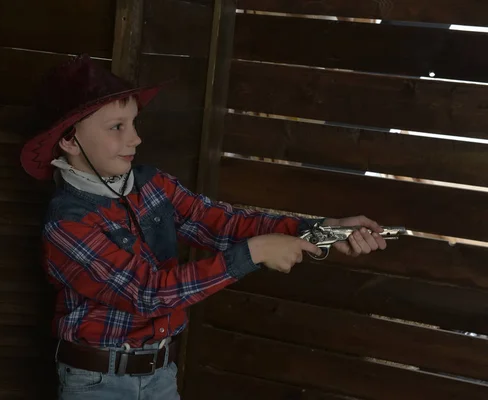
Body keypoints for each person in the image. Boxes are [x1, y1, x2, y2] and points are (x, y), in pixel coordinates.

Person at [20, 54, 388, 399]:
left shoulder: (152, 185)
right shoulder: (67, 226)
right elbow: (147, 293)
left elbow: (224, 224)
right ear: (69, 139)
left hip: (160, 373)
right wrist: (255, 252)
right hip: (98, 383)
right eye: (117, 127)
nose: (135, 138)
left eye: (134, 123)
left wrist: (320, 229)